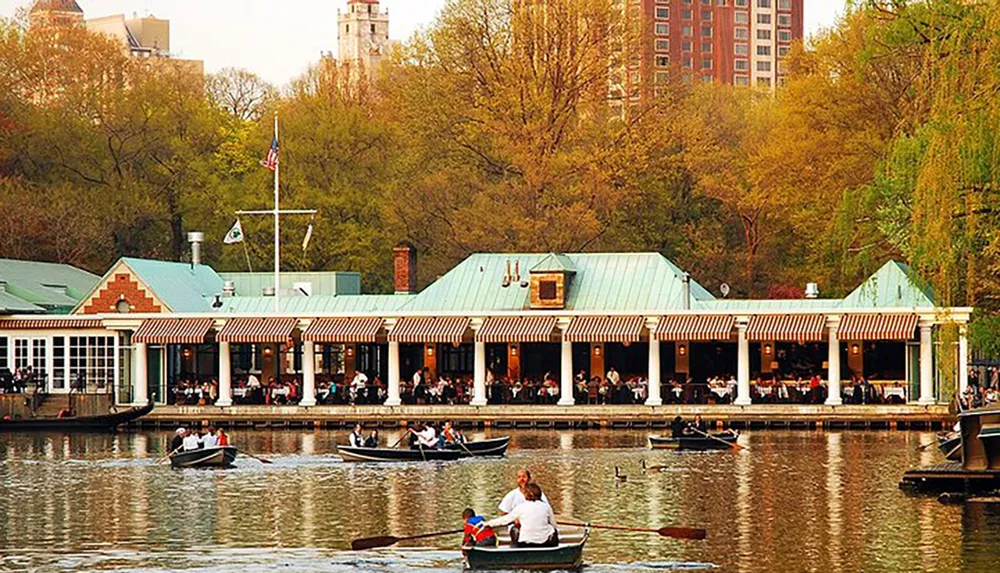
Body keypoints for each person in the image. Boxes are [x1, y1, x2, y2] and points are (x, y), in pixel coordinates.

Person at [486, 483, 558, 548]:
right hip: (544, 543)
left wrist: (488, 524)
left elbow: (505, 520)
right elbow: (554, 525)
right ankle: (554, 550)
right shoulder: (546, 507)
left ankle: (515, 548)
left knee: (514, 528)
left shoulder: (521, 507)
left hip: (524, 543)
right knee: (553, 530)